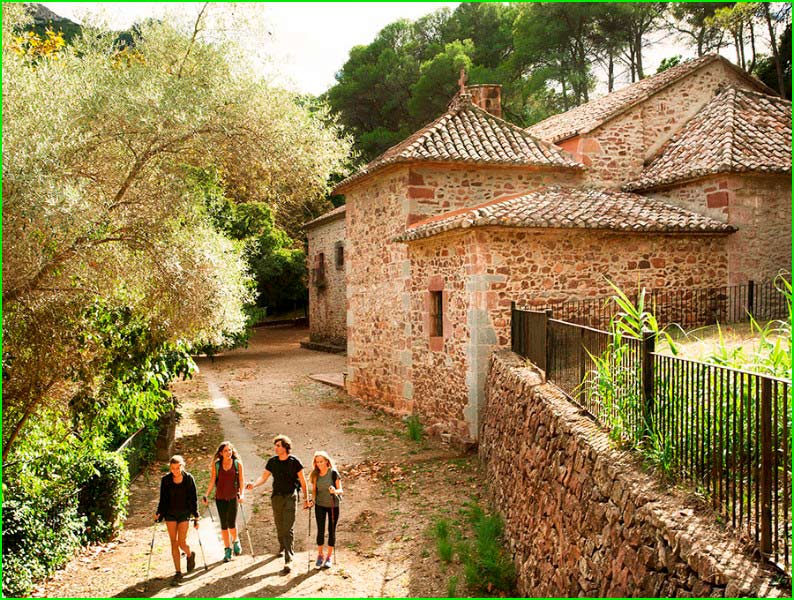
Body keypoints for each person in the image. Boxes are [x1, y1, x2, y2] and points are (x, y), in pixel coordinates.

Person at [246, 435, 310, 574]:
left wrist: (306, 498)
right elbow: (263, 478)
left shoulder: (294, 462)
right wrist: (253, 484)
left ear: (285, 447)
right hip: (276, 498)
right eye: (275, 445)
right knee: (280, 527)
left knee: (288, 528)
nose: (275, 448)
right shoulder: (272, 462)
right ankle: (282, 545)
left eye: (278, 445)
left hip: (290, 497)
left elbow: (303, 481)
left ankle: (288, 559)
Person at [155, 455, 199, 586]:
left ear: (182, 466)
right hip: (170, 514)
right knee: (173, 542)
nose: (175, 471)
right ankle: (178, 572)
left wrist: (196, 516)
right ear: (170, 468)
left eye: (177, 468)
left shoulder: (189, 479)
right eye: (172, 468)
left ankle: (190, 554)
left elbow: (193, 499)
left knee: (181, 542)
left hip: (184, 513)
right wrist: (159, 514)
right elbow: (163, 499)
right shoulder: (166, 480)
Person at [202, 441, 246, 562]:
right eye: (225, 451)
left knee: (231, 523)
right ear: (221, 453)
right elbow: (212, 480)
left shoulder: (237, 464)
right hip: (220, 497)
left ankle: (235, 540)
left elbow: (241, 480)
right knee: (223, 524)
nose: (228, 452)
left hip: (233, 497)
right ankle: (227, 549)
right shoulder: (217, 465)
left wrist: (242, 494)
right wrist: (206, 494)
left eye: (230, 450)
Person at [309, 451, 343, 569]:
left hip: (333, 505)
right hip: (320, 505)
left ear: (326, 461)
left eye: (321, 461)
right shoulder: (315, 474)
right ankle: (320, 555)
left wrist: (334, 491)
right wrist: (312, 500)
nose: (319, 464)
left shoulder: (333, 473)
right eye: (317, 462)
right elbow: (314, 490)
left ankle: (329, 557)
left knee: (331, 530)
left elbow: (341, 490)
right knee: (320, 530)